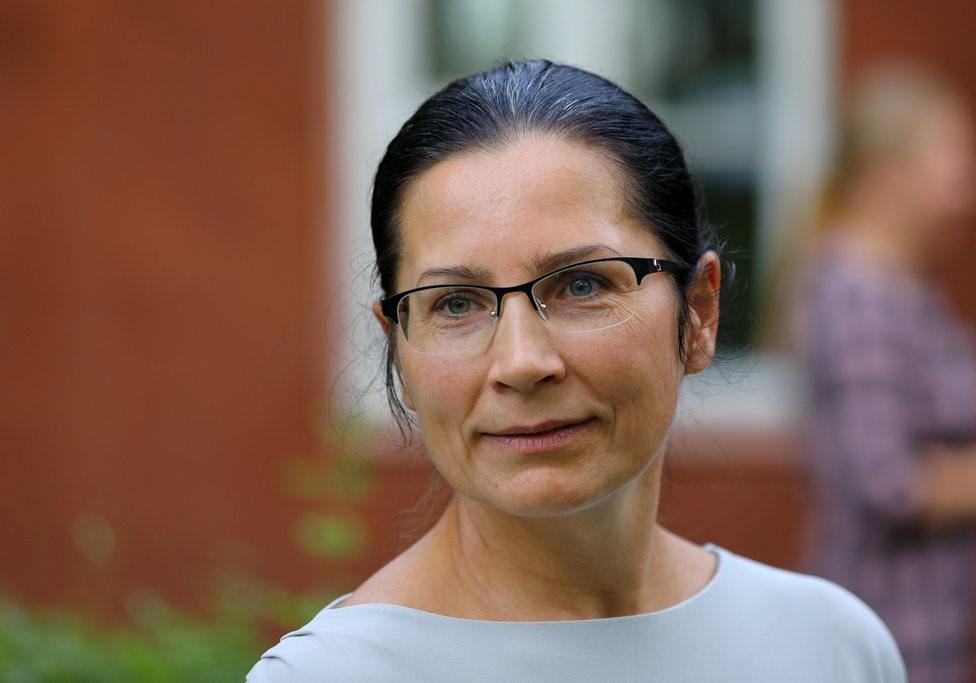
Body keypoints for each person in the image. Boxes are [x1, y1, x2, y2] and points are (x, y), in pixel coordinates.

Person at [248, 60, 905, 682]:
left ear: (699, 313)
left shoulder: (832, 648)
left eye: (582, 285)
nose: (522, 362)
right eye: (456, 303)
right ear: (398, 347)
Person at [790, 65, 976, 683]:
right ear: (889, 175)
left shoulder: (900, 288)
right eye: (952, 163)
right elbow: (887, 483)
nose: (966, 190)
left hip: (925, 628)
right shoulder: (858, 298)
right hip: (890, 635)